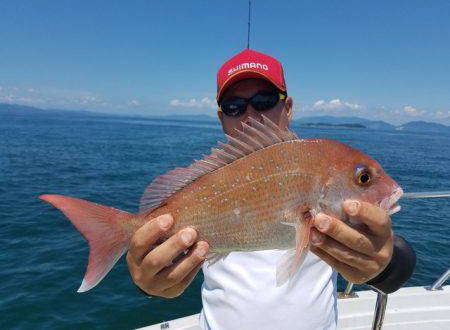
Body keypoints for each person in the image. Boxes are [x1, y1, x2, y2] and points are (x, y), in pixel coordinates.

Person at [126, 49, 416, 329]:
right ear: (221, 118)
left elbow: (397, 263)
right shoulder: (206, 183)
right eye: (234, 107)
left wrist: (383, 263)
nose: (250, 116)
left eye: (264, 101)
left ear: (287, 108)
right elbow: (156, 266)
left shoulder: (318, 166)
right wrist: (148, 283)